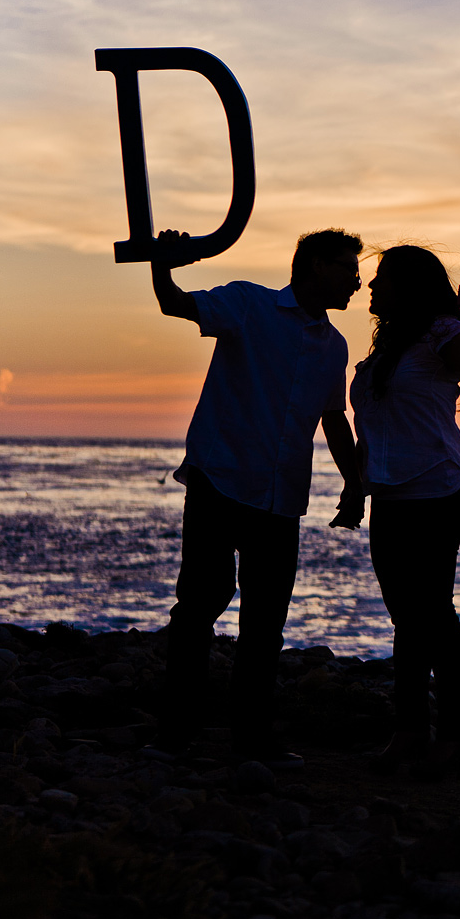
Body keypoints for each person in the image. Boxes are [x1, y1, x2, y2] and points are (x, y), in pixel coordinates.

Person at [149, 227, 367, 770]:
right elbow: (173, 304)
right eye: (347, 267)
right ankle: (176, 732)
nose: (356, 281)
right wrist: (163, 261)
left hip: (281, 496)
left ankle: (251, 738)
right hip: (219, 479)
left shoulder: (333, 344)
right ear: (315, 265)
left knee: (266, 622)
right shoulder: (249, 304)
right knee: (200, 605)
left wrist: (353, 483)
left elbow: (332, 418)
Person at [349, 244, 460, 778]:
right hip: (388, 497)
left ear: (409, 286)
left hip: (435, 494)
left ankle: (455, 735)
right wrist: (356, 489)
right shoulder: (387, 345)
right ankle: (410, 729)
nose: (371, 288)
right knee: (405, 619)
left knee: (433, 614)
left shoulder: (441, 333)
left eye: (382, 279)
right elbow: (374, 428)